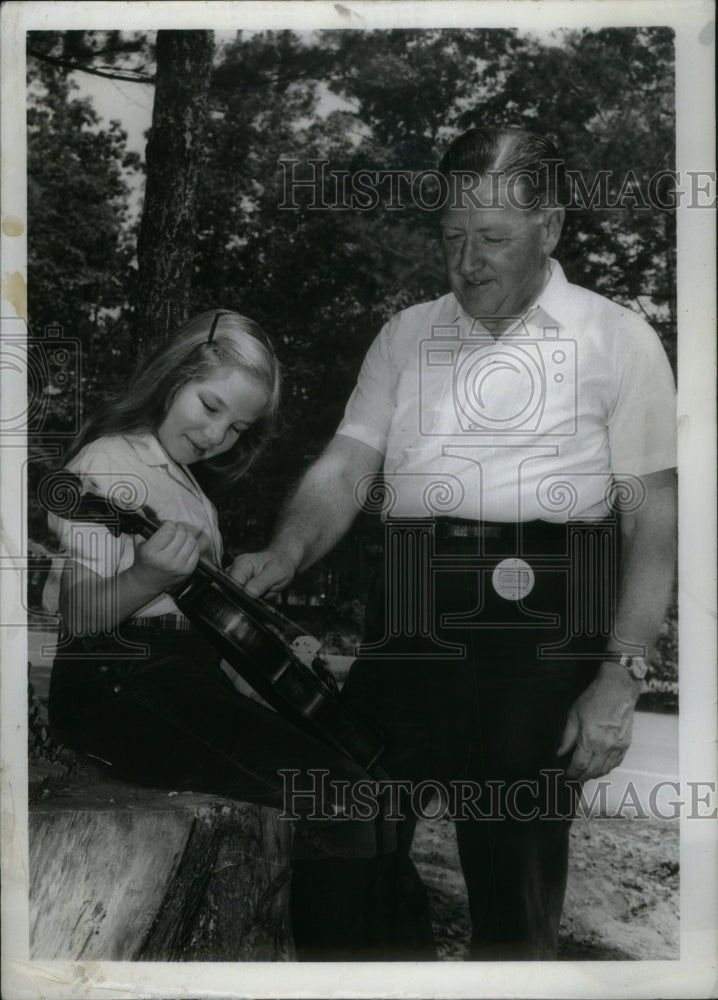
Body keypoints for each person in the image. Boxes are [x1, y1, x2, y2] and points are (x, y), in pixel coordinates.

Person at [231, 127, 678, 960]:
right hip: (408, 614)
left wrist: (622, 669)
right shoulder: (407, 335)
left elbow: (651, 515)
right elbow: (346, 465)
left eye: (492, 238)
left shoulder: (619, 337)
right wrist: (286, 554)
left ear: (550, 227)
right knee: (342, 852)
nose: (466, 261)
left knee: (514, 898)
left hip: (544, 626)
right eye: (451, 237)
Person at [44, 309, 387, 871]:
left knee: (364, 773)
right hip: (115, 687)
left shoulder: (195, 496)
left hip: (183, 681)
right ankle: (336, 956)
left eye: (237, 430)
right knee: (339, 794)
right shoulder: (107, 462)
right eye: (210, 407)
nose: (214, 436)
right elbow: (79, 618)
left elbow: (205, 631)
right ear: (173, 374)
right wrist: (145, 577)